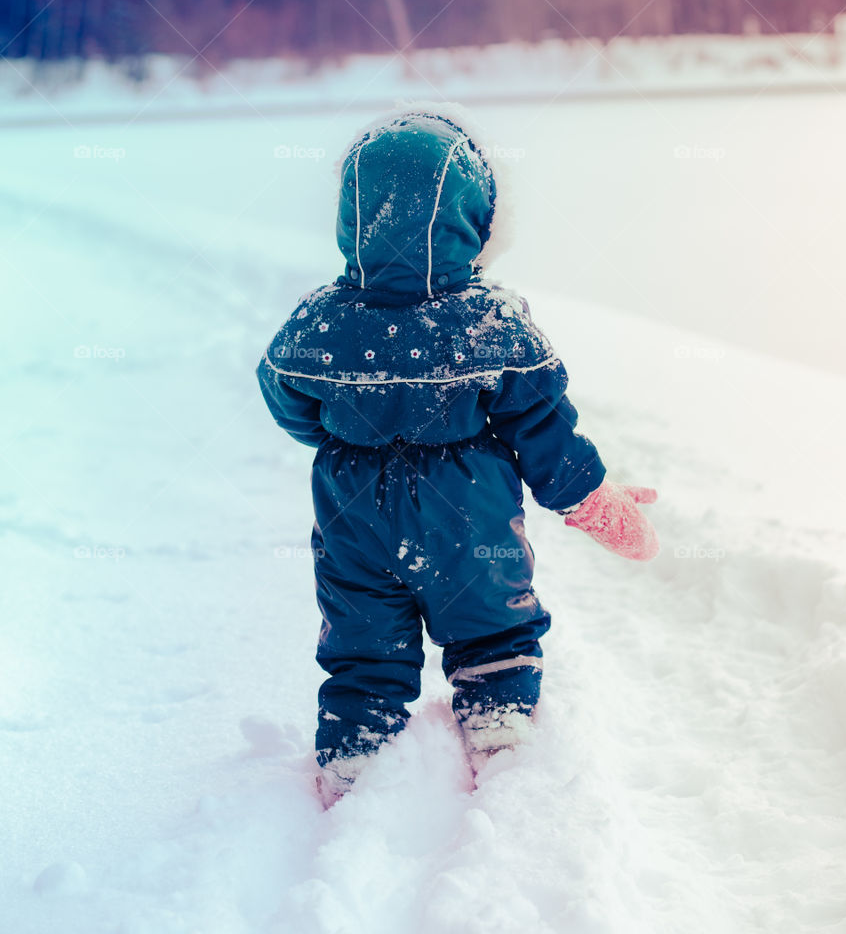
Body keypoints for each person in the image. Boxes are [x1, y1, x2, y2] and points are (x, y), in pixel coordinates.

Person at [256, 107, 658, 804]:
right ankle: (497, 716)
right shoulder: (490, 320)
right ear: (473, 221)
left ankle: (356, 743)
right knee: (491, 623)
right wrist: (593, 498)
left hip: (352, 507)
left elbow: (289, 402)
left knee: (362, 636)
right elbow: (543, 430)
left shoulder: (317, 320)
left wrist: (349, 436)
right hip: (466, 507)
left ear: (355, 216)